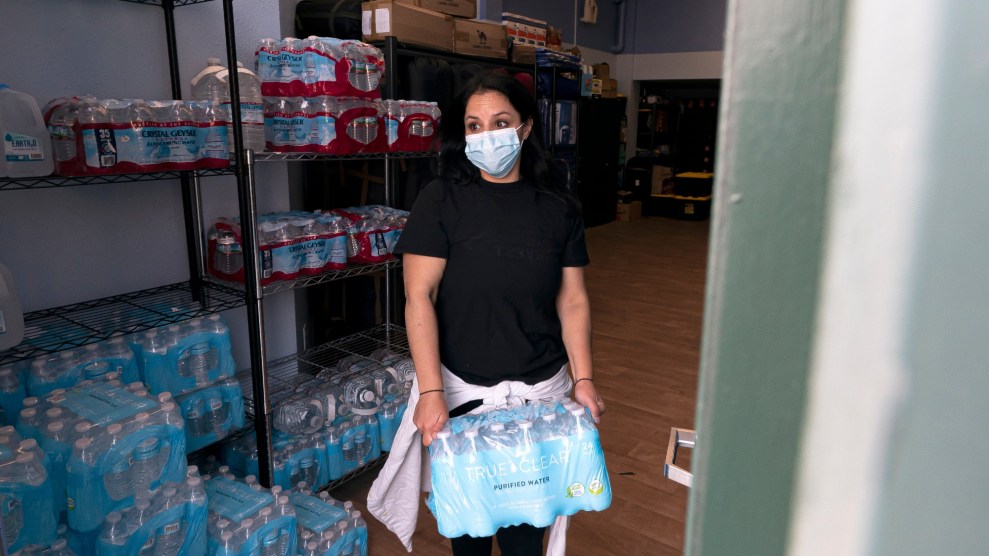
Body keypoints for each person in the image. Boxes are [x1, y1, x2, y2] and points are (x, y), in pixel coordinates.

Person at [367, 70, 606, 556]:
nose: (486, 134)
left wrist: (583, 379)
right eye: (474, 125)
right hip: (462, 397)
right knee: (470, 536)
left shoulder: (557, 205)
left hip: (539, 396)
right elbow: (419, 298)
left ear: (524, 128)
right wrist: (431, 391)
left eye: (500, 121)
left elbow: (573, 298)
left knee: (525, 533)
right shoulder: (441, 200)